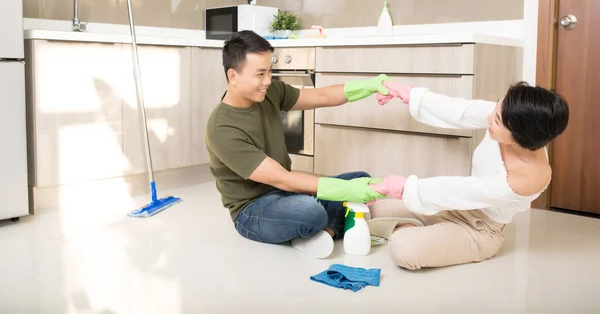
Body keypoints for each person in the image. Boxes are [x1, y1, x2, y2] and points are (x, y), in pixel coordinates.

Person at [205, 31, 387, 258]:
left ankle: (326, 233)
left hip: (285, 193)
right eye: (260, 74)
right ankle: (323, 226)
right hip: (252, 211)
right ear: (233, 76)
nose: (268, 81)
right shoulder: (222, 130)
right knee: (311, 212)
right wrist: (346, 191)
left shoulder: (269, 92)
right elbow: (284, 178)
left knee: (359, 177)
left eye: (270, 71)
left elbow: (321, 97)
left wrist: (368, 87)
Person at [369, 81, 569, 270]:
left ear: (520, 134)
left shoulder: (530, 177)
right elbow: (459, 110)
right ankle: (421, 228)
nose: (489, 118)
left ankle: (413, 231)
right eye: (495, 110)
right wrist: (409, 94)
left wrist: (401, 187)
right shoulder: (505, 115)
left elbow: (467, 190)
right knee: (372, 210)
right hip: (452, 206)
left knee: (403, 248)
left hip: (478, 230)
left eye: (497, 120)